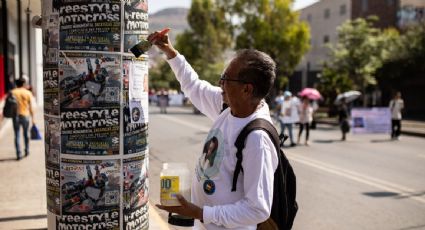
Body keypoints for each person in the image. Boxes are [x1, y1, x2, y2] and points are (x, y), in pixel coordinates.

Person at [149, 29, 278, 229]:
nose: (220, 83)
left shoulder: (257, 140)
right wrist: (170, 51)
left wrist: (201, 213)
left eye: (226, 79)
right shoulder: (228, 106)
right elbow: (194, 86)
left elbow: (257, 209)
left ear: (247, 89)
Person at [11, 78, 35, 160]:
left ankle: (18, 154)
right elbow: (31, 107)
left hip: (15, 116)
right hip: (25, 115)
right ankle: (27, 150)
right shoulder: (28, 92)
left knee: (17, 135)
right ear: (24, 84)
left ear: (16, 84)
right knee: (25, 134)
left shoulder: (13, 92)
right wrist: (33, 118)